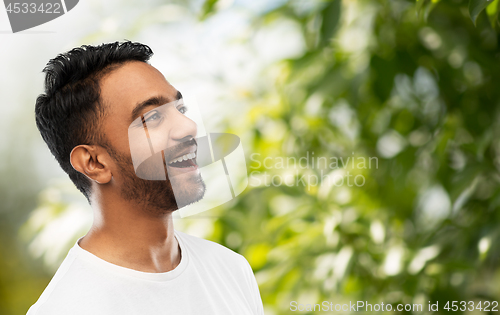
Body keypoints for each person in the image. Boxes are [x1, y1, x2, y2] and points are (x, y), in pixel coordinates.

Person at [27, 41, 264, 315]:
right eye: (152, 117)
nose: (188, 127)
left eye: (181, 109)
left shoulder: (230, 269)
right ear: (95, 163)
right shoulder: (65, 309)